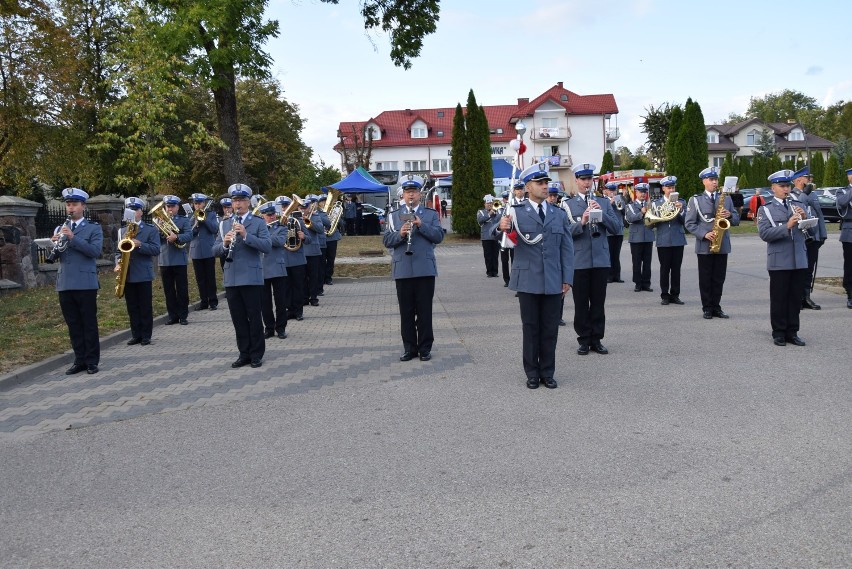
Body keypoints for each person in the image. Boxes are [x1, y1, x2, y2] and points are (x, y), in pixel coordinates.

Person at [496, 162, 573, 389]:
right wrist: (501, 227)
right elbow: (498, 236)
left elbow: (566, 249)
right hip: (528, 280)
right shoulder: (515, 212)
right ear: (528, 187)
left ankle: (547, 372)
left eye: (546, 183)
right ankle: (531, 372)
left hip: (553, 280)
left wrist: (567, 278)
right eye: (540, 183)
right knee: (531, 328)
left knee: (550, 328)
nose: (545, 187)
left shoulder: (558, 214)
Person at [563, 163, 622, 356]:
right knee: (581, 303)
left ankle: (597, 339)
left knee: (598, 302)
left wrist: (601, 214)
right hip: (579, 260)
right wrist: (582, 221)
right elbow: (565, 233)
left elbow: (617, 228)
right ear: (577, 181)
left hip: (600, 260)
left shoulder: (604, 202)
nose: (587, 183)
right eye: (583, 179)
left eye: (590, 179)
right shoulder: (568, 205)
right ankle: (583, 339)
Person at [382, 176, 444, 362]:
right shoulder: (393, 215)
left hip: (424, 269)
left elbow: (439, 237)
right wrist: (400, 234)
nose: (411, 195)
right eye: (408, 192)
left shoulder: (430, 214)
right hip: (403, 269)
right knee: (406, 312)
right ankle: (409, 348)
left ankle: (425, 348)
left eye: (414, 191)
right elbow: (386, 241)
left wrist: (421, 225)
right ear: (403, 194)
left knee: (424, 311)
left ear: (420, 194)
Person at [212, 183, 272, 368]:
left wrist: (246, 235)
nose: (237, 204)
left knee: (254, 317)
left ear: (248, 202)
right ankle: (243, 353)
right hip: (231, 278)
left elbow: (267, 246)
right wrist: (224, 243)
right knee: (238, 318)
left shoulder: (258, 222)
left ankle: (256, 354)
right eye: (235, 201)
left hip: (251, 277)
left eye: (241, 201)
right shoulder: (224, 224)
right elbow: (214, 250)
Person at [53, 188, 103, 375]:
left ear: (83, 206)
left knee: (88, 323)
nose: (70, 208)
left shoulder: (93, 228)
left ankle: (92, 361)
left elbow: (94, 251)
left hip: (85, 282)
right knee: (73, 324)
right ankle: (79, 359)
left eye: (74, 204)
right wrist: (53, 244)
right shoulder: (59, 228)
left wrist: (73, 238)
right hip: (65, 282)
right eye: (68, 204)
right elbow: (58, 255)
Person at [757, 170, 810, 346]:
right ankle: (778, 332)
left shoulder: (798, 204)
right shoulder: (766, 209)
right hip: (779, 261)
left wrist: (805, 218)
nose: (786, 189)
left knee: (795, 298)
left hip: (799, 259)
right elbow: (765, 234)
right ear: (773, 188)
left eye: (788, 185)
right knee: (779, 298)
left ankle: (792, 332)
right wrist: (787, 226)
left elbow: (812, 231)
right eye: (782, 186)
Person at [684, 166, 740, 319]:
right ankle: (707, 307)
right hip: (705, 245)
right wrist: (704, 234)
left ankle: (717, 306)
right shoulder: (695, 200)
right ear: (704, 182)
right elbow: (689, 224)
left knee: (719, 278)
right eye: (711, 180)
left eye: (716, 179)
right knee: (706, 277)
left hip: (722, 244)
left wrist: (729, 215)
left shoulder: (726, 198)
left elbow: (736, 220)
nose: (715, 182)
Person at [116, 197, 160, 346]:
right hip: (127, 274)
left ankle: (146, 335)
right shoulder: (122, 231)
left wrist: (141, 245)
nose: (133, 212)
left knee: (145, 306)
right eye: (130, 210)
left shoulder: (150, 229)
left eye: (136, 210)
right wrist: (118, 264)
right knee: (132, 306)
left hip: (143, 273)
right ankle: (136, 334)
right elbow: (118, 252)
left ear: (141, 212)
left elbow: (156, 249)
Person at [790, 167, 827, 310]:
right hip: (802, 237)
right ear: (799, 180)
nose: (809, 180)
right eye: (807, 178)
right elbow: (800, 207)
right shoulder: (793, 195)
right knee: (800, 268)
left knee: (810, 268)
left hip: (814, 236)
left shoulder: (812, 195)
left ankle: (806, 297)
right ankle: (797, 297)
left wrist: (822, 234)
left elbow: (819, 215)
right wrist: (805, 194)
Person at [158, 195, 193, 325]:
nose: (170, 209)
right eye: (168, 206)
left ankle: (183, 316)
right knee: (169, 290)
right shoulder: (159, 220)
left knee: (182, 289)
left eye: (172, 206)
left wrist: (176, 237)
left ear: (178, 207)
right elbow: (154, 238)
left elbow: (189, 235)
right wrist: (160, 229)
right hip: (165, 259)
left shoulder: (183, 220)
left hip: (179, 259)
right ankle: (172, 316)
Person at [653, 176, 687, 305]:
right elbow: (651, 223)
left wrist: (681, 210)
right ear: (663, 188)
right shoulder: (657, 204)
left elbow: (686, 222)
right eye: (668, 187)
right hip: (663, 239)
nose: (671, 189)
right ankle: (664, 295)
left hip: (678, 239)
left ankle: (675, 294)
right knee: (665, 268)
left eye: (673, 187)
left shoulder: (682, 202)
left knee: (676, 269)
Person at [275, 195, 309, 321]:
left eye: (286, 206)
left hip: (297, 260)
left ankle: (299, 311)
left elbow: (309, 239)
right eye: (281, 207)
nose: (284, 209)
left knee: (298, 287)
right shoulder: (276, 224)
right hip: (282, 260)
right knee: (286, 288)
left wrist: (303, 236)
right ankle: (289, 310)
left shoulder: (298, 221)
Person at [258, 201, 288, 340]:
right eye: (268, 215)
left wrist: (264, 236)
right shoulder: (258, 228)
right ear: (262, 216)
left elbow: (280, 241)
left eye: (273, 214)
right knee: (265, 302)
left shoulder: (281, 227)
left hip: (278, 267)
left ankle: (281, 328)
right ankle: (269, 328)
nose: (271, 217)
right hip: (262, 268)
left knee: (281, 301)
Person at [188, 193, 219, 311]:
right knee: (200, 278)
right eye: (196, 203)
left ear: (204, 203)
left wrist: (204, 220)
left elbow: (214, 229)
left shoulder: (211, 214)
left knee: (210, 276)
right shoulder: (191, 216)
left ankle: (213, 301)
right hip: (196, 251)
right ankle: (203, 301)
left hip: (208, 250)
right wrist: (196, 224)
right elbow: (190, 234)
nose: (198, 205)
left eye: (200, 203)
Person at [624, 183, 655, 292]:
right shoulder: (630, 206)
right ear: (636, 193)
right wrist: (641, 213)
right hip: (636, 238)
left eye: (644, 192)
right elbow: (630, 219)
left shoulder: (650, 205)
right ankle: (638, 283)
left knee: (647, 262)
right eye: (641, 192)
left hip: (648, 236)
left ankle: (646, 283)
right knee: (636, 262)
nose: (643, 194)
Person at [301, 196, 324, 307]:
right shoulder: (295, 217)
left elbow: (320, 229)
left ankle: (314, 297)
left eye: (305, 207)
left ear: (309, 207)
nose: (303, 210)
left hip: (313, 250)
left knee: (313, 276)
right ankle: (305, 297)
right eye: (301, 207)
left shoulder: (315, 216)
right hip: (300, 251)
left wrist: (307, 221)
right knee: (303, 276)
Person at [602, 182, 625, 283]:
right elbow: (602, 214)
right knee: (609, 254)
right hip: (608, 231)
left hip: (619, 230)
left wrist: (618, 202)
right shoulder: (604, 201)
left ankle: (617, 276)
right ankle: (609, 276)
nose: (612, 192)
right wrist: (610, 203)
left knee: (617, 254)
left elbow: (623, 211)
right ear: (606, 191)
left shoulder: (619, 199)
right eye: (610, 190)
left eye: (614, 190)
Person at [838, 168, 852, 309]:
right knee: (850, 265)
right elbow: (842, 203)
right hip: (850, 232)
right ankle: (850, 293)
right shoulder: (843, 191)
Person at [477, 195, 500, 277]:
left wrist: (496, 211)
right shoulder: (481, 212)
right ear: (484, 204)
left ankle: (495, 271)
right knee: (488, 255)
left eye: (491, 203)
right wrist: (490, 214)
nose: (489, 205)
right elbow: (480, 220)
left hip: (495, 236)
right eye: (488, 203)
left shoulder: (497, 211)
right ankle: (489, 272)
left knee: (495, 255)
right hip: (486, 237)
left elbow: (500, 219)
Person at [498, 190, 512, 287]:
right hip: (503, 239)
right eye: (505, 198)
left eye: (508, 198)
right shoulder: (500, 210)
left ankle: (515, 279)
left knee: (515, 261)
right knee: (504, 260)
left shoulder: (513, 208)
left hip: (513, 238)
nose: (507, 200)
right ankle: (506, 280)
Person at [218, 197, 233, 269]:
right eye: (224, 208)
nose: (226, 210)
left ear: (232, 207)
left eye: (228, 207)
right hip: (224, 250)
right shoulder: (220, 220)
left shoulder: (236, 218)